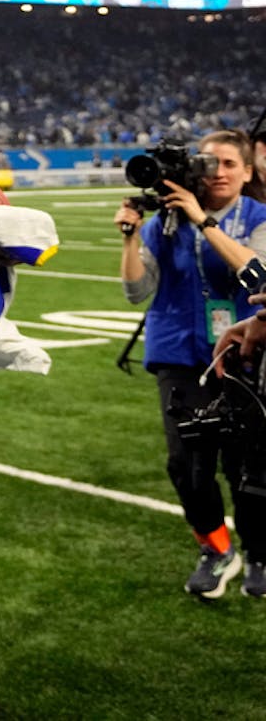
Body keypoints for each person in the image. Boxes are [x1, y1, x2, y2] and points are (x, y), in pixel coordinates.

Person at [116, 129, 266, 599]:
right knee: (186, 464)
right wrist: (130, 238)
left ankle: (260, 552)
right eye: (209, 163)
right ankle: (216, 549)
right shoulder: (167, 221)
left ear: (247, 172)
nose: (217, 173)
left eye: (228, 164)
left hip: (244, 351)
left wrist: (203, 221)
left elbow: (258, 269)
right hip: (179, 352)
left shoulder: (259, 217)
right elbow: (137, 291)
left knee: (246, 465)